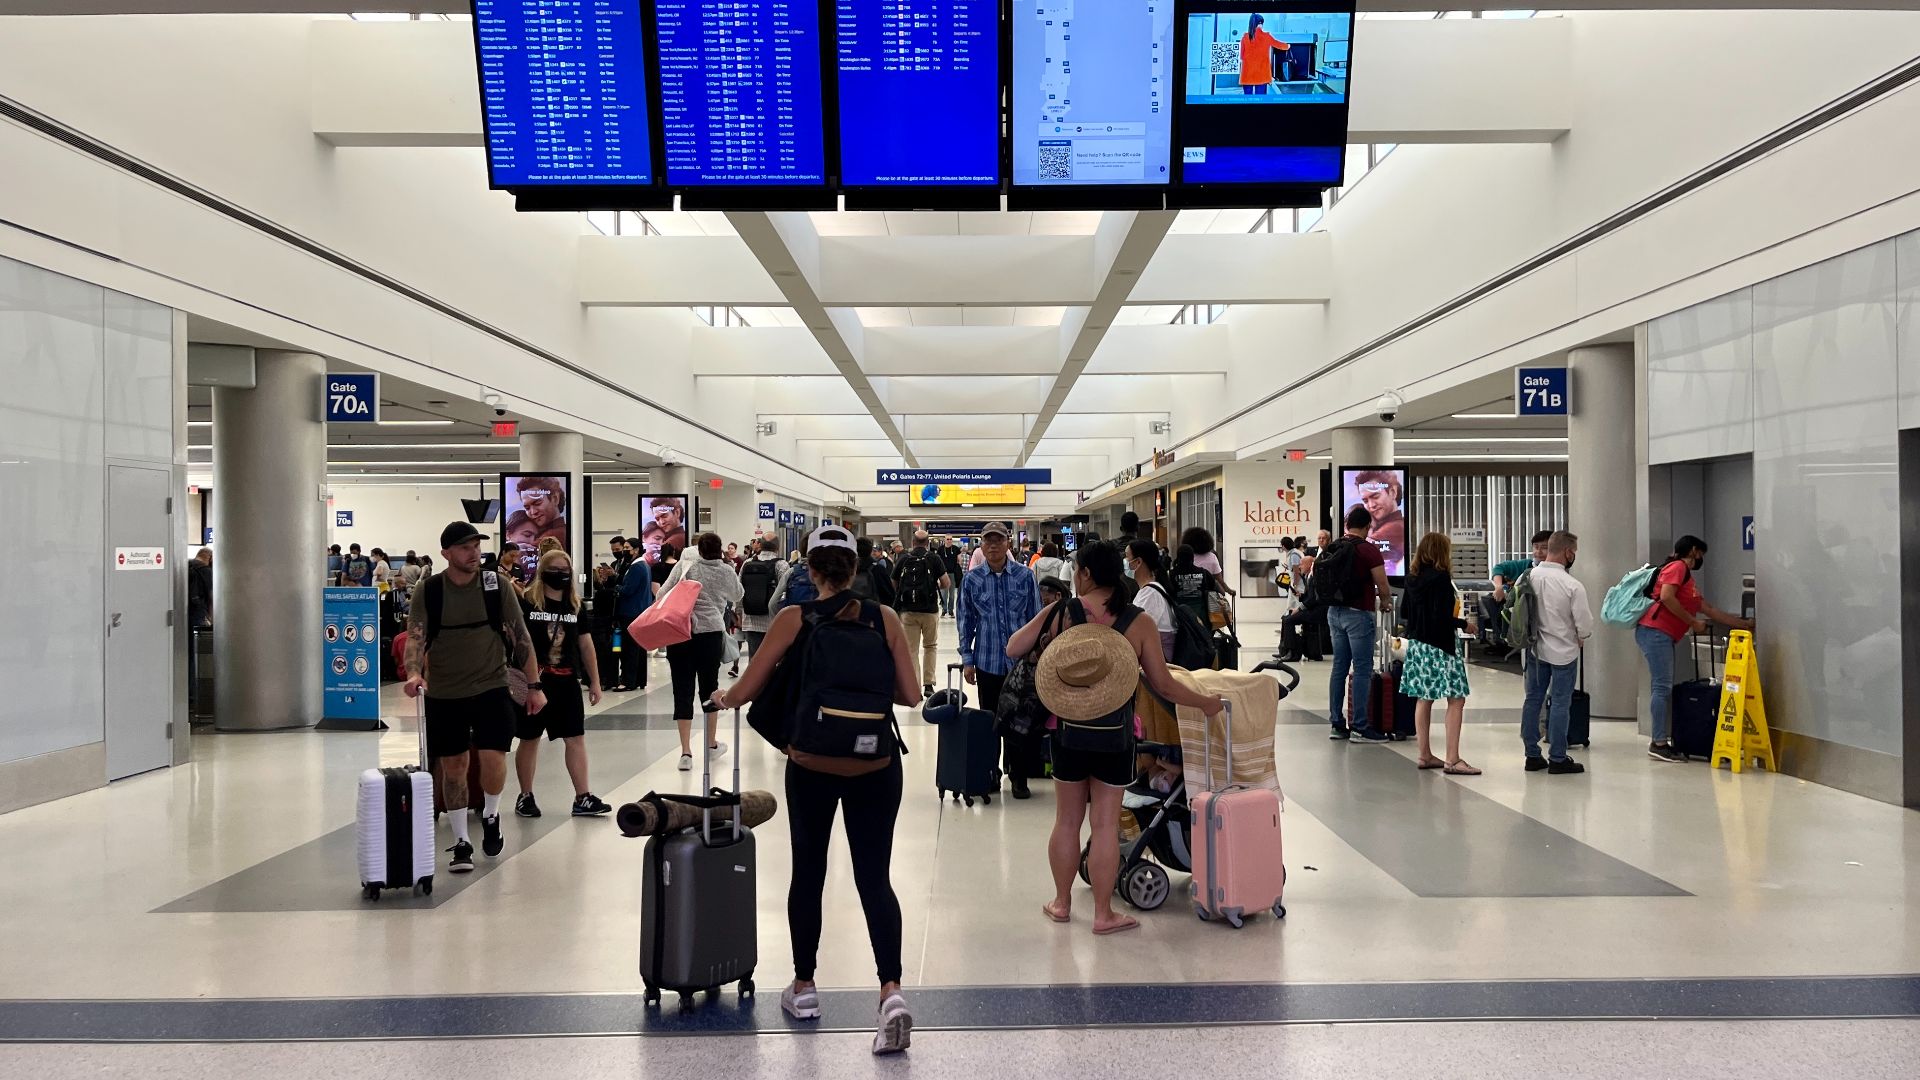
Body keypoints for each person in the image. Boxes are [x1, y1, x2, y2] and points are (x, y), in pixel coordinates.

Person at [710, 525, 921, 1055]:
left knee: (809, 871)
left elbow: (748, 688)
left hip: (811, 762)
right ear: (855, 570)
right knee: (875, 878)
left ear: (810, 571)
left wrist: (724, 695)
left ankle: (804, 987)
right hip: (875, 764)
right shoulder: (884, 618)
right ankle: (890, 991)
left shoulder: (793, 619)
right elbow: (912, 695)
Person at [1005, 541, 1224, 937]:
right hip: (1116, 735)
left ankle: (1062, 903)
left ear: (1085, 573)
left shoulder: (1063, 612)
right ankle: (1104, 914)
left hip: (1067, 731)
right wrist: (1205, 703)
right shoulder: (1137, 621)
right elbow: (1164, 685)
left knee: (1067, 821)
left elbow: (1014, 647)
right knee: (1105, 825)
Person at [404, 521, 544, 872]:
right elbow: (416, 635)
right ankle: (462, 841)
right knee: (453, 768)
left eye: (477, 546)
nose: (474, 553)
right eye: (466, 548)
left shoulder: (495, 586)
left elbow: (519, 635)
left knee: (493, 757)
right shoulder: (430, 589)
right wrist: (413, 672)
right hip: (445, 692)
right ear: (446, 553)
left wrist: (535, 686)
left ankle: (492, 813)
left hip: (491, 686)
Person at [511, 549, 613, 818]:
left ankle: (583, 796)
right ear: (543, 572)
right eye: (555, 570)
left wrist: (595, 681)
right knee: (530, 738)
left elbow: (585, 643)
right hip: (535, 680)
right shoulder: (529, 604)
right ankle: (525, 795)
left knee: (575, 738)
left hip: (566, 679)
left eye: (565, 571)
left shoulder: (574, 607)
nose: (561, 575)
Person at [1638, 535, 1753, 763]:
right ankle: (1658, 742)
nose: (1701, 559)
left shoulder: (1687, 578)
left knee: (1662, 686)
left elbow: (1708, 608)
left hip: (1660, 634)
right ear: (1693, 550)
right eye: (1701, 553)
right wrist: (1692, 622)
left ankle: (1660, 739)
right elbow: (1666, 596)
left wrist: (1745, 624)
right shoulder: (1678, 567)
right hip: (1655, 632)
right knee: (1661, 687)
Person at [958, 522, 1042, 798]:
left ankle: (1018, 776)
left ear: (1008, 543)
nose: (993, 545)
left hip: (1019, 665)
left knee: (1020, 722)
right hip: (987, 661)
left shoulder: (1024, 576)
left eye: (998, 540)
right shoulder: (972, 580)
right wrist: (967, 659)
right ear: (981, 545)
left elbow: (1036, 617)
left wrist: (1035, 655)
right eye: (988, 541)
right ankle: (990, 773)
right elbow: (965, 621)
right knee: (990, 721)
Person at [658, 532, 744, 771]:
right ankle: (711, 744)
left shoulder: (688, 566)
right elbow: (738, 595)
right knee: (710, 689)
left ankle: (685, 752)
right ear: (721, 550)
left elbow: (662, 593)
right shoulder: (725, 569)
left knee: (682, 689)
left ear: (699, 549)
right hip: (711, 634)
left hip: (681, 633)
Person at [1400, 533, 1481, 776]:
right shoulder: (1441, 579)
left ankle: (1424, 754)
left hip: (1418, 647)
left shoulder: (1412, 579)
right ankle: (1453, 759)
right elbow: (1441, 618)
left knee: (1423, 698)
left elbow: (1405, 612)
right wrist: (1463, 624)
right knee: (1456, 699)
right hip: (1441, 646)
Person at [1519, 531, 1592, 775]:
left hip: (1535, 650)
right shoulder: (1572, 585)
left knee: (1533, 700)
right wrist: (1580, 635)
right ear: (1568, 552)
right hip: (1565, 653)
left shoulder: (1528, 577)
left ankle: (1532, 755)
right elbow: (1585, 625)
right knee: (1561, 702)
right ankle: (1558, 758)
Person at [1325, 505, 1393, 742]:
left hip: (1333, 613)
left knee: (1339, 668)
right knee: (1363, 669)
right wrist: (1385, 602)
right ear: (1367, 526)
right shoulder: (1368, 550)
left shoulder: (1333, 547)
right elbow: (1382, 585)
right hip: (1358, 615)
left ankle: (1336, 724)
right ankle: (1360, 727)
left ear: (1347, 524)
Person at [890, 530, 951, 697]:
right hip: (930, 610)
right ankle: (929, 685)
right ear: (927, 543)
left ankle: (914, 686)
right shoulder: (934, 558)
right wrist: (932, 586)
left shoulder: (903, 558)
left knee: (911, 650)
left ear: (913, 542)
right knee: (930, 646)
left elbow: (893, 582)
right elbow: (946, 583)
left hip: (908, 611)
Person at [1485, 530, 1553, 658]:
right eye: (1536, 547)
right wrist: (1499, 587)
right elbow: (1498, 568)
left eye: (1544, 548)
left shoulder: (1554, 572)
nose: (1539, 552)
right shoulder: (1525, 565)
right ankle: (1502, 641)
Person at [738, 538, 792, 666]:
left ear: (760, 545)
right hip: (773, 622)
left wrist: (739, 613)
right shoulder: (782, 565)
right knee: (773, 662)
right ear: (777, 547)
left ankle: (755, 686)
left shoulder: (748, 563)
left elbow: (740, 590)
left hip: (750, 620)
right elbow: (785, 592)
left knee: (754, 662)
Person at [611, 545, 653, 692]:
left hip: (630, 612)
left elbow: (628, 590)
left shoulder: (636, 567)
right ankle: (639, 679)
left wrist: (615, 587)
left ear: (635, 550)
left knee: (629, 648)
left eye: (627, 547)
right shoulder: (644, 565)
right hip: (639, 611)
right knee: (638, 648)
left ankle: (628, 681)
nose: (624, 550)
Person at [1348, 469, 1408, 573]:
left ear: (1392, 492)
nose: (1371, 506)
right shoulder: (1381, 525)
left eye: (1375, 496)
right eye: (1365, 501)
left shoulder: (1394, 528)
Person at [1126, 540, 1175, 660]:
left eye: (1127, 558)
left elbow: (1135, 630)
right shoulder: (1153, 589)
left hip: (1157, 663)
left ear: (1138, 562)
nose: (1125, 563)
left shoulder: (1150, 594)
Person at [1168, 544, 1226, 631]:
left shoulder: (1170, 574)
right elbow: (1221, 592)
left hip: (1178, 619)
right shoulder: (1203, 573)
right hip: (1201, 618)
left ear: (1178, 557)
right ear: (1192, 557)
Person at [1236, 12, 1284, 95]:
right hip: (1262, 74)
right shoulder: (1266, 36)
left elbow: (1241, 56)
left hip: (1247, 74)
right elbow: (1278, 45)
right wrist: (1288, 46)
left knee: (1247, 100)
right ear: (1261, 24)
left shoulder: (1245, 37)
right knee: (1260, 100)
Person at [516, 475, 568, 549]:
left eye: (537, 503)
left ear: (555, 499)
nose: (533, 512)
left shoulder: (551, 537)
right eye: (527, 508)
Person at [186, 547, 214, 628]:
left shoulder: (185, 565)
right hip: (197, 611)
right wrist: (211, 618)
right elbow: (210, 595)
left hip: (182, 609)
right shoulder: (206, 571)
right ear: (210, 558)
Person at [938, 541, 963, 617]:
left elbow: (959, 559)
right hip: (943, 574)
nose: (949, 541)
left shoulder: (955, 549)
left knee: (952, 594)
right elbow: (938, 560)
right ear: (945, 540)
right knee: (943, 593)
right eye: (948, 539)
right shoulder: (940, 549)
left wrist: (958, 565)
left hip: (952, 573)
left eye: (950, 539)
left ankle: (951, 610)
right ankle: (944, 610)